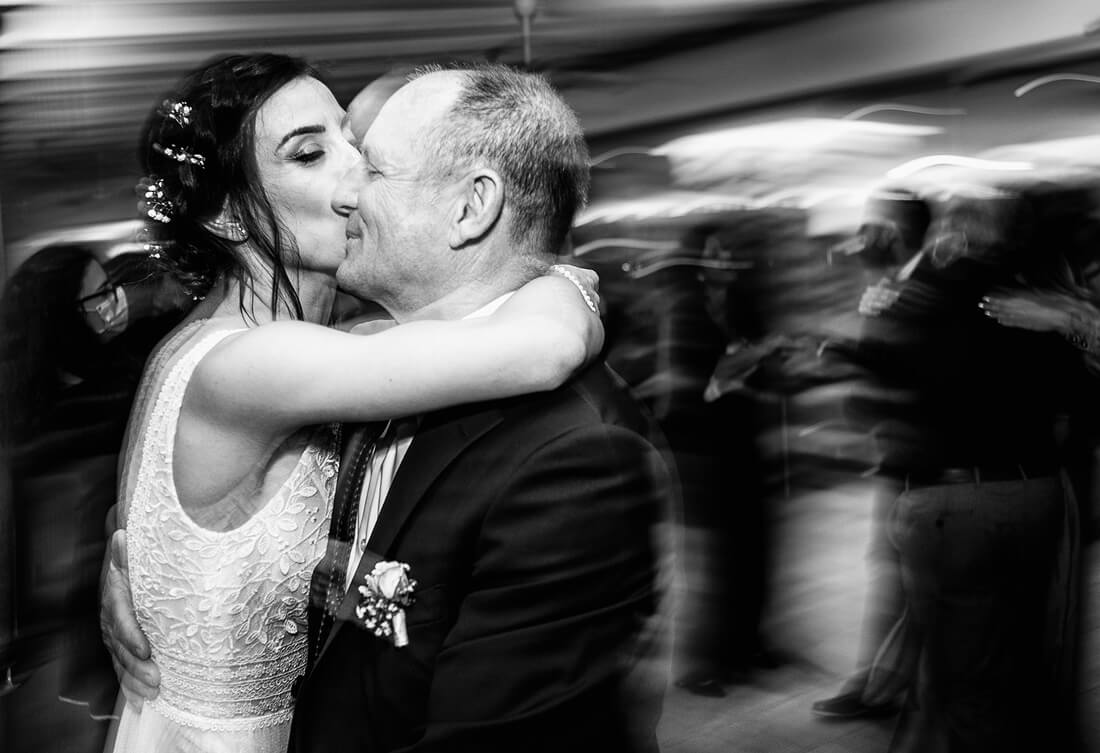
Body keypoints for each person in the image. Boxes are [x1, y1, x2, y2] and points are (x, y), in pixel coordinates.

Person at [105, 61, 672, 753]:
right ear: (226, 213)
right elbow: (546, 346)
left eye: (358, 148)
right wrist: (564, 284)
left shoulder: (351, 350)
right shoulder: (257, 363)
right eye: (311, 154)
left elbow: (358, 591)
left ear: (472, 207)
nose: (352, 177)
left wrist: (143, 569)